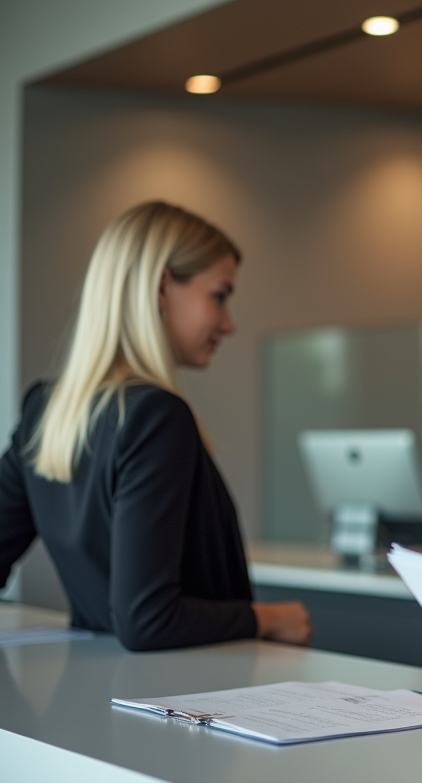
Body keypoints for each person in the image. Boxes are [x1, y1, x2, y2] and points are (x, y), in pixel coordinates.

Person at [0, 201, 311, 651]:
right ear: (163, 286)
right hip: (187, 701)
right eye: (219, 295)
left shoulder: (44, 410)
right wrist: (268, 618)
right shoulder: (155, 416)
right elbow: (148, 620)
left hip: (99, 697)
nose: (229, 323)